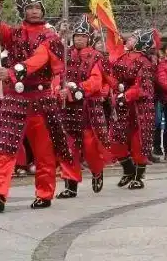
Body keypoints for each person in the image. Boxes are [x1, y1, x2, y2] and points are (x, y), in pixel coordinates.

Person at [0, 0, 71, 213]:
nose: (34, 11)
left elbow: (38, 60)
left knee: (44, 150)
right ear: (22, 10)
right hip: (15, 98)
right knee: (4, 146)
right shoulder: (14, 33)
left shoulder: (51, 37)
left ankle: (44, 192)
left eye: (38, 7)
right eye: (30, 7)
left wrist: (11, 72)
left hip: (41, 100)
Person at [57, 16, 109, 198]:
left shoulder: (96, 56)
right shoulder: (64, 54)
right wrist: (59, 88)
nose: (79, 39)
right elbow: (58, 74)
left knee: (89, 145)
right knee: (68, 146)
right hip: (68, 107)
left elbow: (96, 81)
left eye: (83, 36)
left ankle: (97, 170)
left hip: (88, 106)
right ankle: (70, 185)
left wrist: (78, 88)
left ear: (89, 38)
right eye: (77, 35)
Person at [109, 28, 158, 190]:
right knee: (116, 139)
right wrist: (115, 88)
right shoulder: (123, 57)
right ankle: (128, 169)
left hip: (140, 107)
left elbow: (142, 86)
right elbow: (113, 75)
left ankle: (138, 175)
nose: (129, 39)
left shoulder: (145, 62)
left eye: (133, 38)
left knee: (139, 141)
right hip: (122, 104)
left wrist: (126, 95)